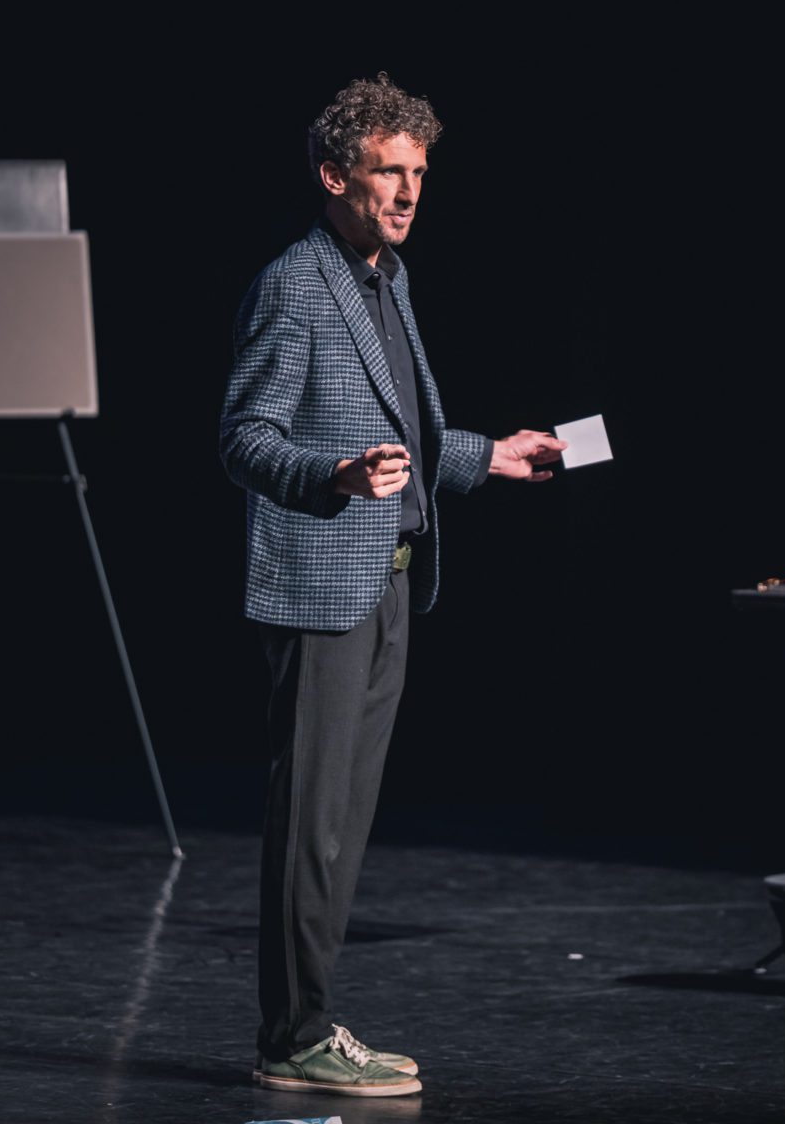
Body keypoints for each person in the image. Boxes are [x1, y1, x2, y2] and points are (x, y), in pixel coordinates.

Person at [218, 72, 566, 1098]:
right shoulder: (294, 284)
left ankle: (306, 1024)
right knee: (311, 822)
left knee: (344, 822)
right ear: (335, 176)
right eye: (387, 172)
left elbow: (402, 433)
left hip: (388, 582)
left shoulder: (387, 279)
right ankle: (292, 1036)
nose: (408, 192)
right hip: (324, 585)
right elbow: (243, 437)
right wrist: (330, 475)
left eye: (418, 172)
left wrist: (489, 456)